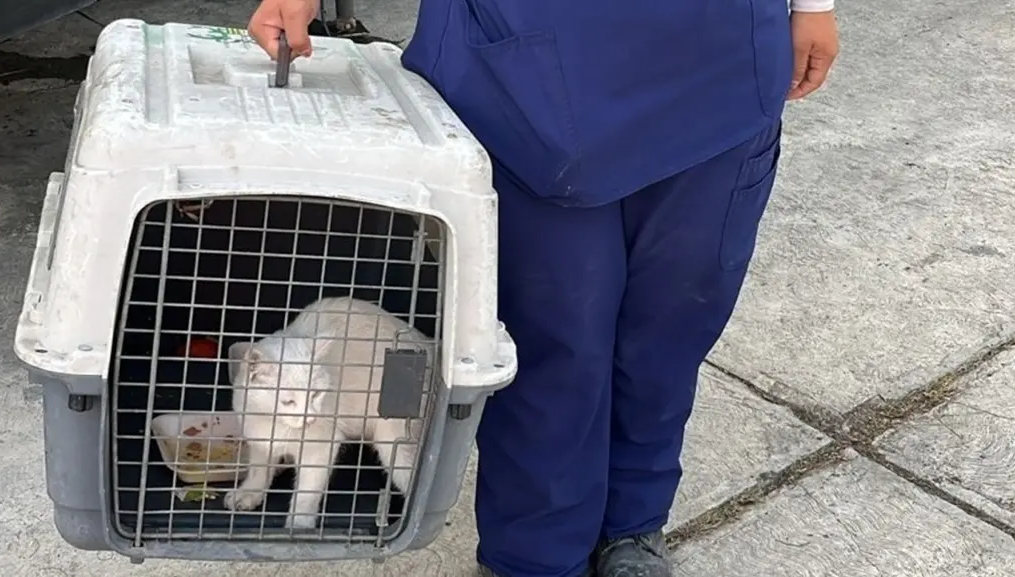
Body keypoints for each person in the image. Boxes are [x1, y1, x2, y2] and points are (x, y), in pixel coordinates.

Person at [247, 0, 839, 575]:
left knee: (668, 332)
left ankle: (633, 524)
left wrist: (814, 6)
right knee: (549, 345)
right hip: (525, 81)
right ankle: (537, 555)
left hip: (719, 72)